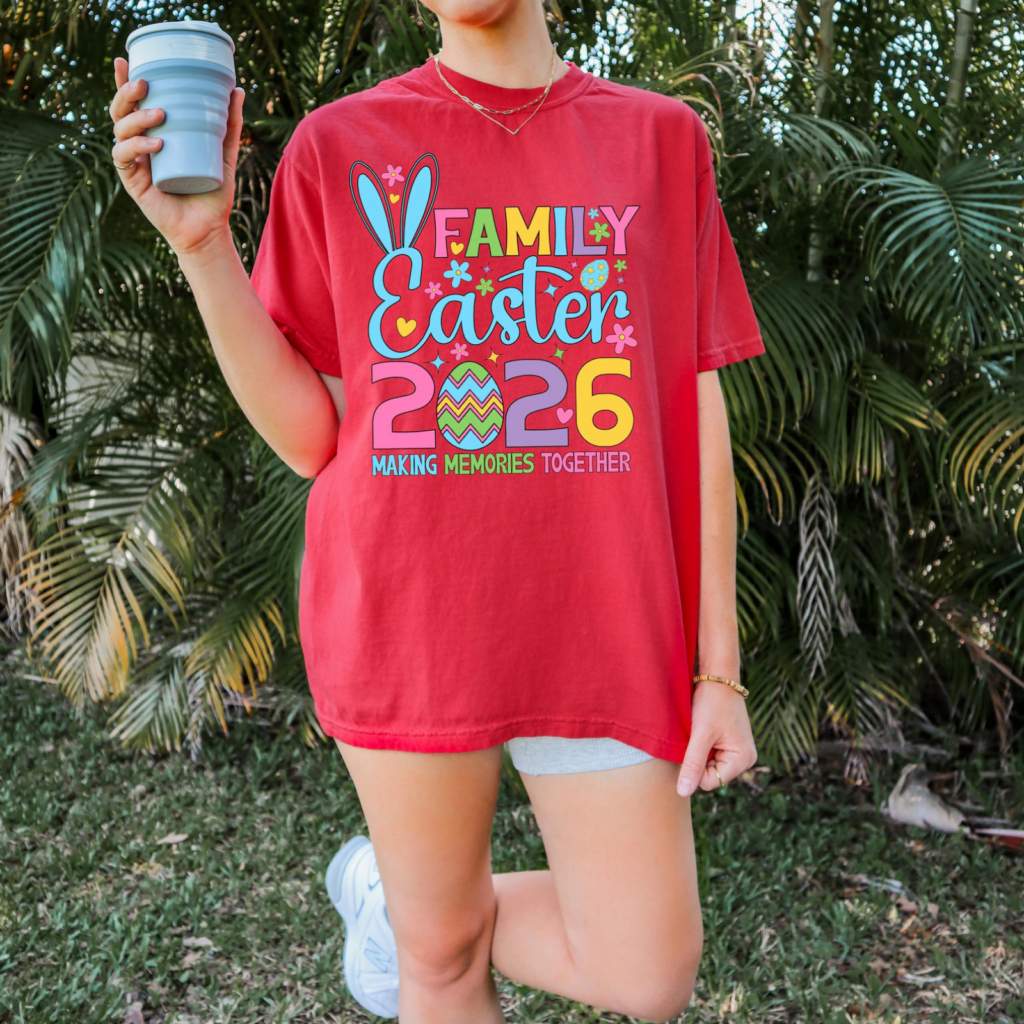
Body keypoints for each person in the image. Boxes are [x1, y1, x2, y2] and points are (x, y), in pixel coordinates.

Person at [110, 0, 763, 1018]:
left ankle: (396, 907)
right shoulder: (340, 146)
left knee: (649, 973)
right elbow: (309, 435)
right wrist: (201, 245)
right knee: (444, 964)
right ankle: (420, 926)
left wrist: (718, 668)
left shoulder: (659, 139)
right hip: (407, 619)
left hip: (602, 623)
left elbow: (698, 403)